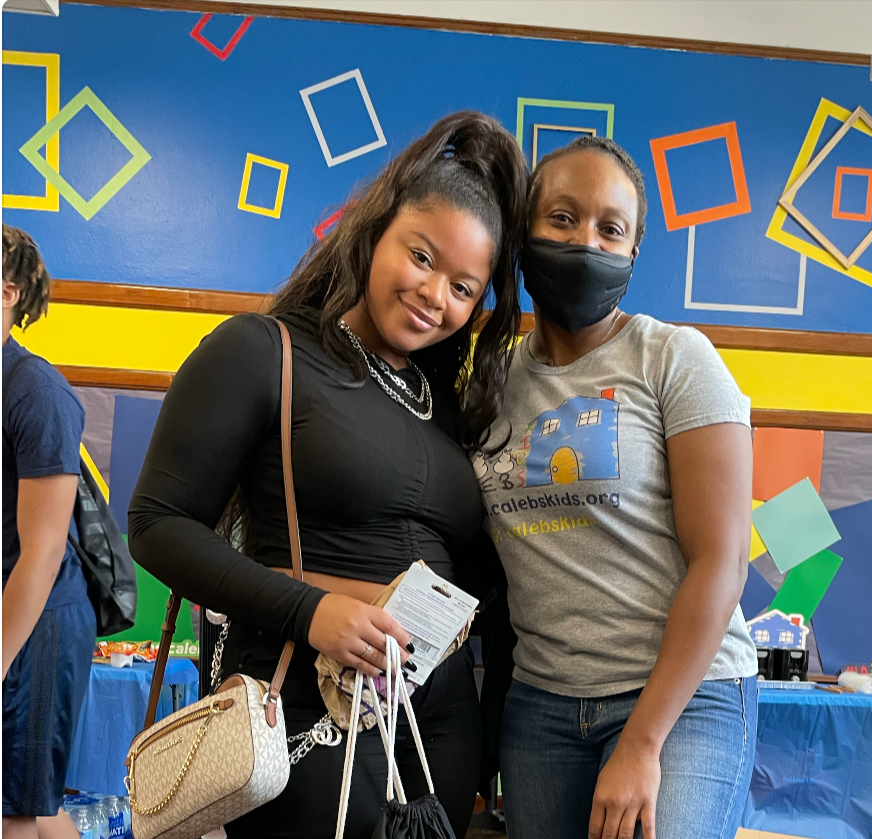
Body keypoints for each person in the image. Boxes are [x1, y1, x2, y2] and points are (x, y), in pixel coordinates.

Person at [128, 111, 527, 839]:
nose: (437, 294)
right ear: (375, 230)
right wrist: (313, 611)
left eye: (465, 288)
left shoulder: (444, 408)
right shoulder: (262, 351)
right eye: (422, 256)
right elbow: (157, 525)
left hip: (435, 721)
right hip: (307, 697)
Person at [474, 136, 758, 839]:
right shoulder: (487, 380)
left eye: (610, 228)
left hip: (682, 698)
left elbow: (720, 561)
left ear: (633, 252)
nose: (585, 242)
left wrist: (640, 741)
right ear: (522, 234)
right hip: (542, 699)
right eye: (562, 218)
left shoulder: (674, 358)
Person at [2, 225, 96, 839]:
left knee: (19, 812)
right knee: (29, 808)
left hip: (37, 622)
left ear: (7, 293)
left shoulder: (36, 390)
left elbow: (40, 552)